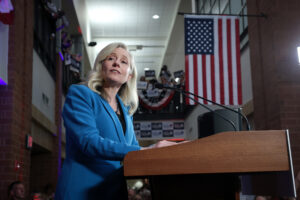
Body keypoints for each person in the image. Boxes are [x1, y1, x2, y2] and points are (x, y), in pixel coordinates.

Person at [55, 42, 176, 200]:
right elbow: (89, 142)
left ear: (129, 76)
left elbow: (131, 151)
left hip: (113, 192)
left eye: (124, 61)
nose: (117, 63)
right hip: (81, 191)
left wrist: (159, 151)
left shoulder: (126, 111)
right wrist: (145, 151)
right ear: (101, 66)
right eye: (111, 58)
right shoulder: (81, 94)